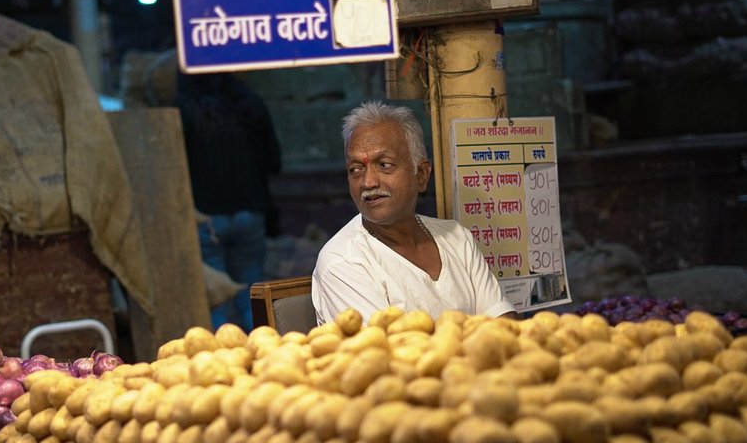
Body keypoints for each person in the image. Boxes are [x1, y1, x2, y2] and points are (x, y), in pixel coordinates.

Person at [312, 100, 518, 324]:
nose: (368, 182)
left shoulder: (457, 237)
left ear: (421, 175)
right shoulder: (343, 261)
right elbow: (388, 353)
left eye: (384, 165)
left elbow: (504, 325)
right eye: (355, 170)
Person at [176, 71, 281, 332]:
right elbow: (274, 162)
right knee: (253, 299)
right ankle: (266, 355)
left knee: (215, 304)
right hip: (250, 211)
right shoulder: (249, 104)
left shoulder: (182, 110)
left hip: (206, 218)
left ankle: (220, 361)